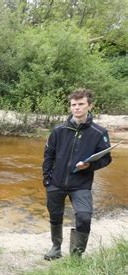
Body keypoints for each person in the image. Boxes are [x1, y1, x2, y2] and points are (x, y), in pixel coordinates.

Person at [42, 88, 112, 260]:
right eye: (74, 105)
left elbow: (106, 159)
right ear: (70, 107)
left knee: (84, 216)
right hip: (56, 183)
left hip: (81, 184)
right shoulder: (59, 130)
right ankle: (56, 248)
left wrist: (89, 166)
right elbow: (48, 155)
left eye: (81, 104)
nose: (77, 108)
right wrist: (47, 178)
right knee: (55, 216)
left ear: (90, 106)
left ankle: (76, 256)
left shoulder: (99, 133)